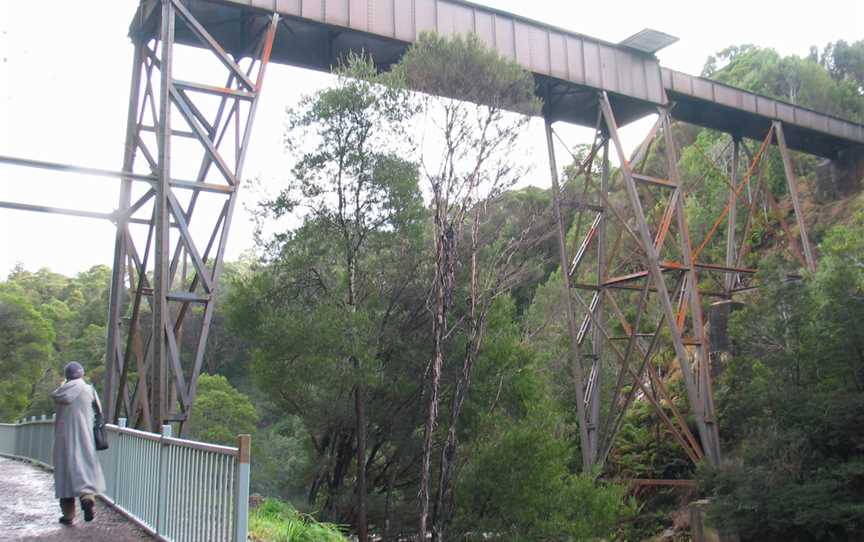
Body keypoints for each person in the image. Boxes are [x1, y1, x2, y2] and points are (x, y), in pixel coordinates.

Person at [51, 361, 106, 525]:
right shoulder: (89, 390)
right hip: (85, 436)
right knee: (86, 470)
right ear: (81, 374)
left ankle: (68, 515)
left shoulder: (60, 391)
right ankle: (87, 498)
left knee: (64, 474)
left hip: (63, 439)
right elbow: (99, 413)